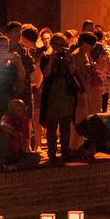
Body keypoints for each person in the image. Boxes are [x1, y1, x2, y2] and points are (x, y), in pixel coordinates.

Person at [39, 32, 77, 164]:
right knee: (51, 126)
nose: (59, 47)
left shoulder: (68, 57)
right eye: (56, 44)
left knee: (66, 126)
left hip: (65, 94)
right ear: (51, 44)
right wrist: (52, 58)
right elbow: (46, 73)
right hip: (52, 95)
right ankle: (52, 152)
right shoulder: (45, 57)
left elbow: (73, 72)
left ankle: (65, 151)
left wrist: (69, 60)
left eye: (62, 45)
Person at [0, 99, 41, 172]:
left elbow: (25, 144)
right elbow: (3, 125)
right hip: (3, 153)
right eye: (19, 107)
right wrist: (16, 133)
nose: (23, 109)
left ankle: (10, 167)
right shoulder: (6, 117)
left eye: (23, 107)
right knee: (5, 135)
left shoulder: (24, 121)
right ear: (12, 109)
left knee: (36, 157)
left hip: (15, 154)